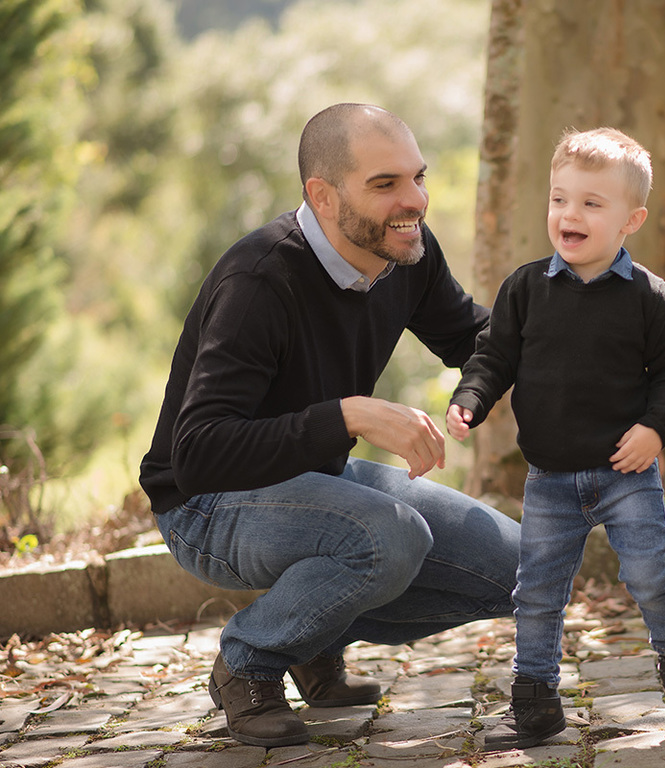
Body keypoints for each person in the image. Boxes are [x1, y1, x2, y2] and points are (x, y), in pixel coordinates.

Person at [138, 103, 521, 748]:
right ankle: (250, 661)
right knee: (390, 538)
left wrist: (583, 348)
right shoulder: (259, 280)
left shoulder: (407, 254)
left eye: (417, 177)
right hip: (206, 504)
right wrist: (349, 414)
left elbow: (477, 338)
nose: (414, 201)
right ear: (321, 194)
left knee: (521, 567)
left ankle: (314, 634)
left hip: (317, 480)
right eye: (385, 184)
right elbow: (199, 454)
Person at [447, 127, 665, 750]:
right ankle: (535, 702)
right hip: (550, 479)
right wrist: (469, 401)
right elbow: (493, 359)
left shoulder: (653, 300)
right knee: (537, 592)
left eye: (592, 204)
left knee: (651, 574)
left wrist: (654, 429)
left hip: (627, 476)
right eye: (559, 199)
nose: (570, 214)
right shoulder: (525, 289)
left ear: (631, 219)